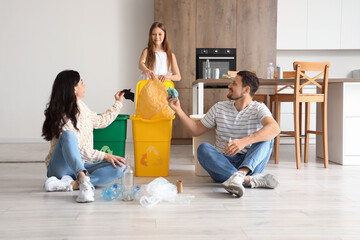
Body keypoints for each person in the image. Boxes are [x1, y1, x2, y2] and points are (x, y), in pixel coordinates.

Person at [168, 71, 280, 198]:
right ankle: (248, 180)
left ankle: (240, 175)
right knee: (203, 149)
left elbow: (275, 128)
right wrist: (178, 109)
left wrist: (243, 142)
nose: (229, 85)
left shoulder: (259, 108)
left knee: (268, 137)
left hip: (251, 164)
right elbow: (196, 129)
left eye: (234, 83)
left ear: (246, 90)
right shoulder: (219, 108)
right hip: (223, 164)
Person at [42, 70, 127, 203]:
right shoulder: (62, 114)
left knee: (121, 166)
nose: (84, 86)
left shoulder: (81, 107)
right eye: (82, 82)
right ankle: (83, 181)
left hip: (83, 163)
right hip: (61, 167)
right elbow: (78, 148)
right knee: (68, 135)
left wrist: (118, 103)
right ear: (73, 88)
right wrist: (104, 155)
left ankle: (71, 184)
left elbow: (100, 121)